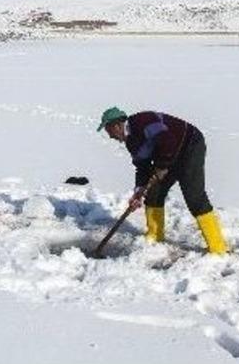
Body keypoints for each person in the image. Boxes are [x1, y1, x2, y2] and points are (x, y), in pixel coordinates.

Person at [97, 106, 228, 254]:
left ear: (116, 126)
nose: (110, 136)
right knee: (153, 193)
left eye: (108, 131)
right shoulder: (131, 143)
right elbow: (142, 167)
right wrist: (139, 191)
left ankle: (218, 248)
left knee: (194, 197)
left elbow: (168, 140)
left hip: (190, 146)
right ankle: (155, 237)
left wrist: (162, 166)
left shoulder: (143, 121)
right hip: (167, 157)